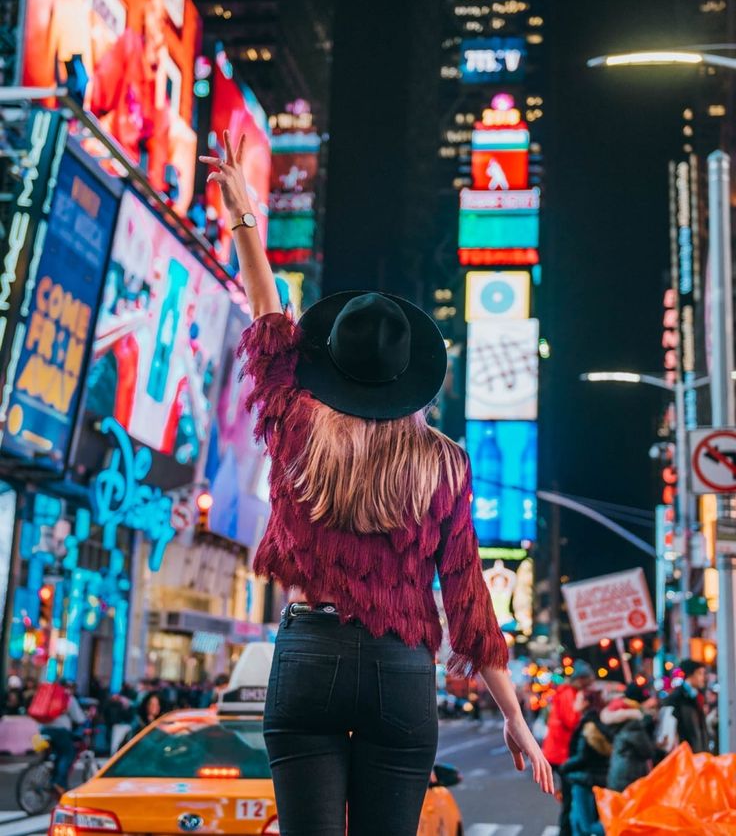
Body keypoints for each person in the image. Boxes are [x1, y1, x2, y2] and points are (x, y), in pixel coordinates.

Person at [199, 133, 553, 836]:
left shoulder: (298, 425)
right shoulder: (444, 461)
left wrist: (244, 218)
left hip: (307, 657)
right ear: (407, 376)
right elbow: (469, 602)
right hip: (400, 671)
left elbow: (270, 325)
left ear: (335, 366)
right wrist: (515, 718)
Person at [542, 660, 594, 836]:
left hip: (562, 752)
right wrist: (583, 708)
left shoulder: (569, 692)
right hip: (560, 754)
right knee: (570, 797)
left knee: (570, 796)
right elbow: (571, 721)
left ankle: (567, 830)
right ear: (580, 680)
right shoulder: (568, 694)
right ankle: (565, 832)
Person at [560, 691, 611, 836]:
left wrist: (564, 767)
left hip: (585, 779)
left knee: (586, 825)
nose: (574, 702)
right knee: (576, 821)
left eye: (578, 699)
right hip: (588, 777)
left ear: (586, 703)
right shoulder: (594, 720)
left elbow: (583, 756)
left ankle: (621, 830)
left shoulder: (589, 725)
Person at [601, 683, 658, 792]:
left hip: (618, 774)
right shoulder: (633, 724)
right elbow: (648, 751)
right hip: (629, 777)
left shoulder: (619, 718)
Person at [41, 680, 86, 796]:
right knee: (68, 754)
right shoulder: (67, 697)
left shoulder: (48, 696)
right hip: (60, 731)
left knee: (57, 755)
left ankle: (54, 780)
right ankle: (59, 783)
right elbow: (79, 718)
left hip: (43, 730)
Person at [663, 658, 710, 753]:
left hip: (699, 755)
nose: (703, 678)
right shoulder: (677, 698)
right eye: (700, 673)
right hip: (684, 756)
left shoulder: (698, 697)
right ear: (690, 675)